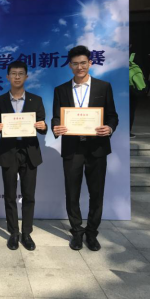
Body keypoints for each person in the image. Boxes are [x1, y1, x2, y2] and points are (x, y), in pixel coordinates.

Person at [52, 46, 119, 252]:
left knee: (96, 193)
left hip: (97, 147)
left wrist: (109, 128)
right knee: (72, 192)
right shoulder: (61, 90)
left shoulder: (103, 87)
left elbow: (112, 116)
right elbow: (56, 117)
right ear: (70, 65)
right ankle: (76, 232)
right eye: (75, 64)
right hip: (72, 148)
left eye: (83, 63)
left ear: (90, 63)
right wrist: (56, 127)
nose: (79, 67)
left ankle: (91, 233)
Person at [0, 61, 48, 252]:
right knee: (9, 195)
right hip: (8, 152)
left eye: (21, 73)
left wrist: (43, 126)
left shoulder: (36, 100)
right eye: (13, 73)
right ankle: (13, 232)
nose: (17, 77)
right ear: (8, 77)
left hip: (29, 152)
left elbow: (43, 127)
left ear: (26, 77)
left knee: (29, 195)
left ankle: (27, 233)